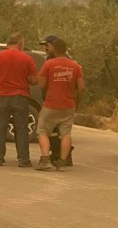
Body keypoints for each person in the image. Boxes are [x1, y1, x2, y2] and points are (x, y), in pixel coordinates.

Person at [0, 32, 38, 167]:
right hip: (20, 97)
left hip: (1, 96)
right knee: (21, 128)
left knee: (0, 127)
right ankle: (23, 159)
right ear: (20, 43)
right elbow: (33, 80)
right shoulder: (27, 58)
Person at [35, 37, 84, 171]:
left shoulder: (49, 64)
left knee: (43, 131)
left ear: (54, 49)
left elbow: (42, 84)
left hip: (51, 104)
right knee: (66, 134)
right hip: (68, 105)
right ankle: (63, 161)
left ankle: (45, 160)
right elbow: (81, 87)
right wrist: (77, 102)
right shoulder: (75, 66)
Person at [40, 35, 75, 167]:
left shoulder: (58, 60)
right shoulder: (50, 58)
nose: (45, 48)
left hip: (55, 101)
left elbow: (43, 82)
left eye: (47, 45)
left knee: (54, 131)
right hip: (62, 101)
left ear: (54, 46)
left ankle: (61, 155)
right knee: (57, 132)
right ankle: (60, 155)